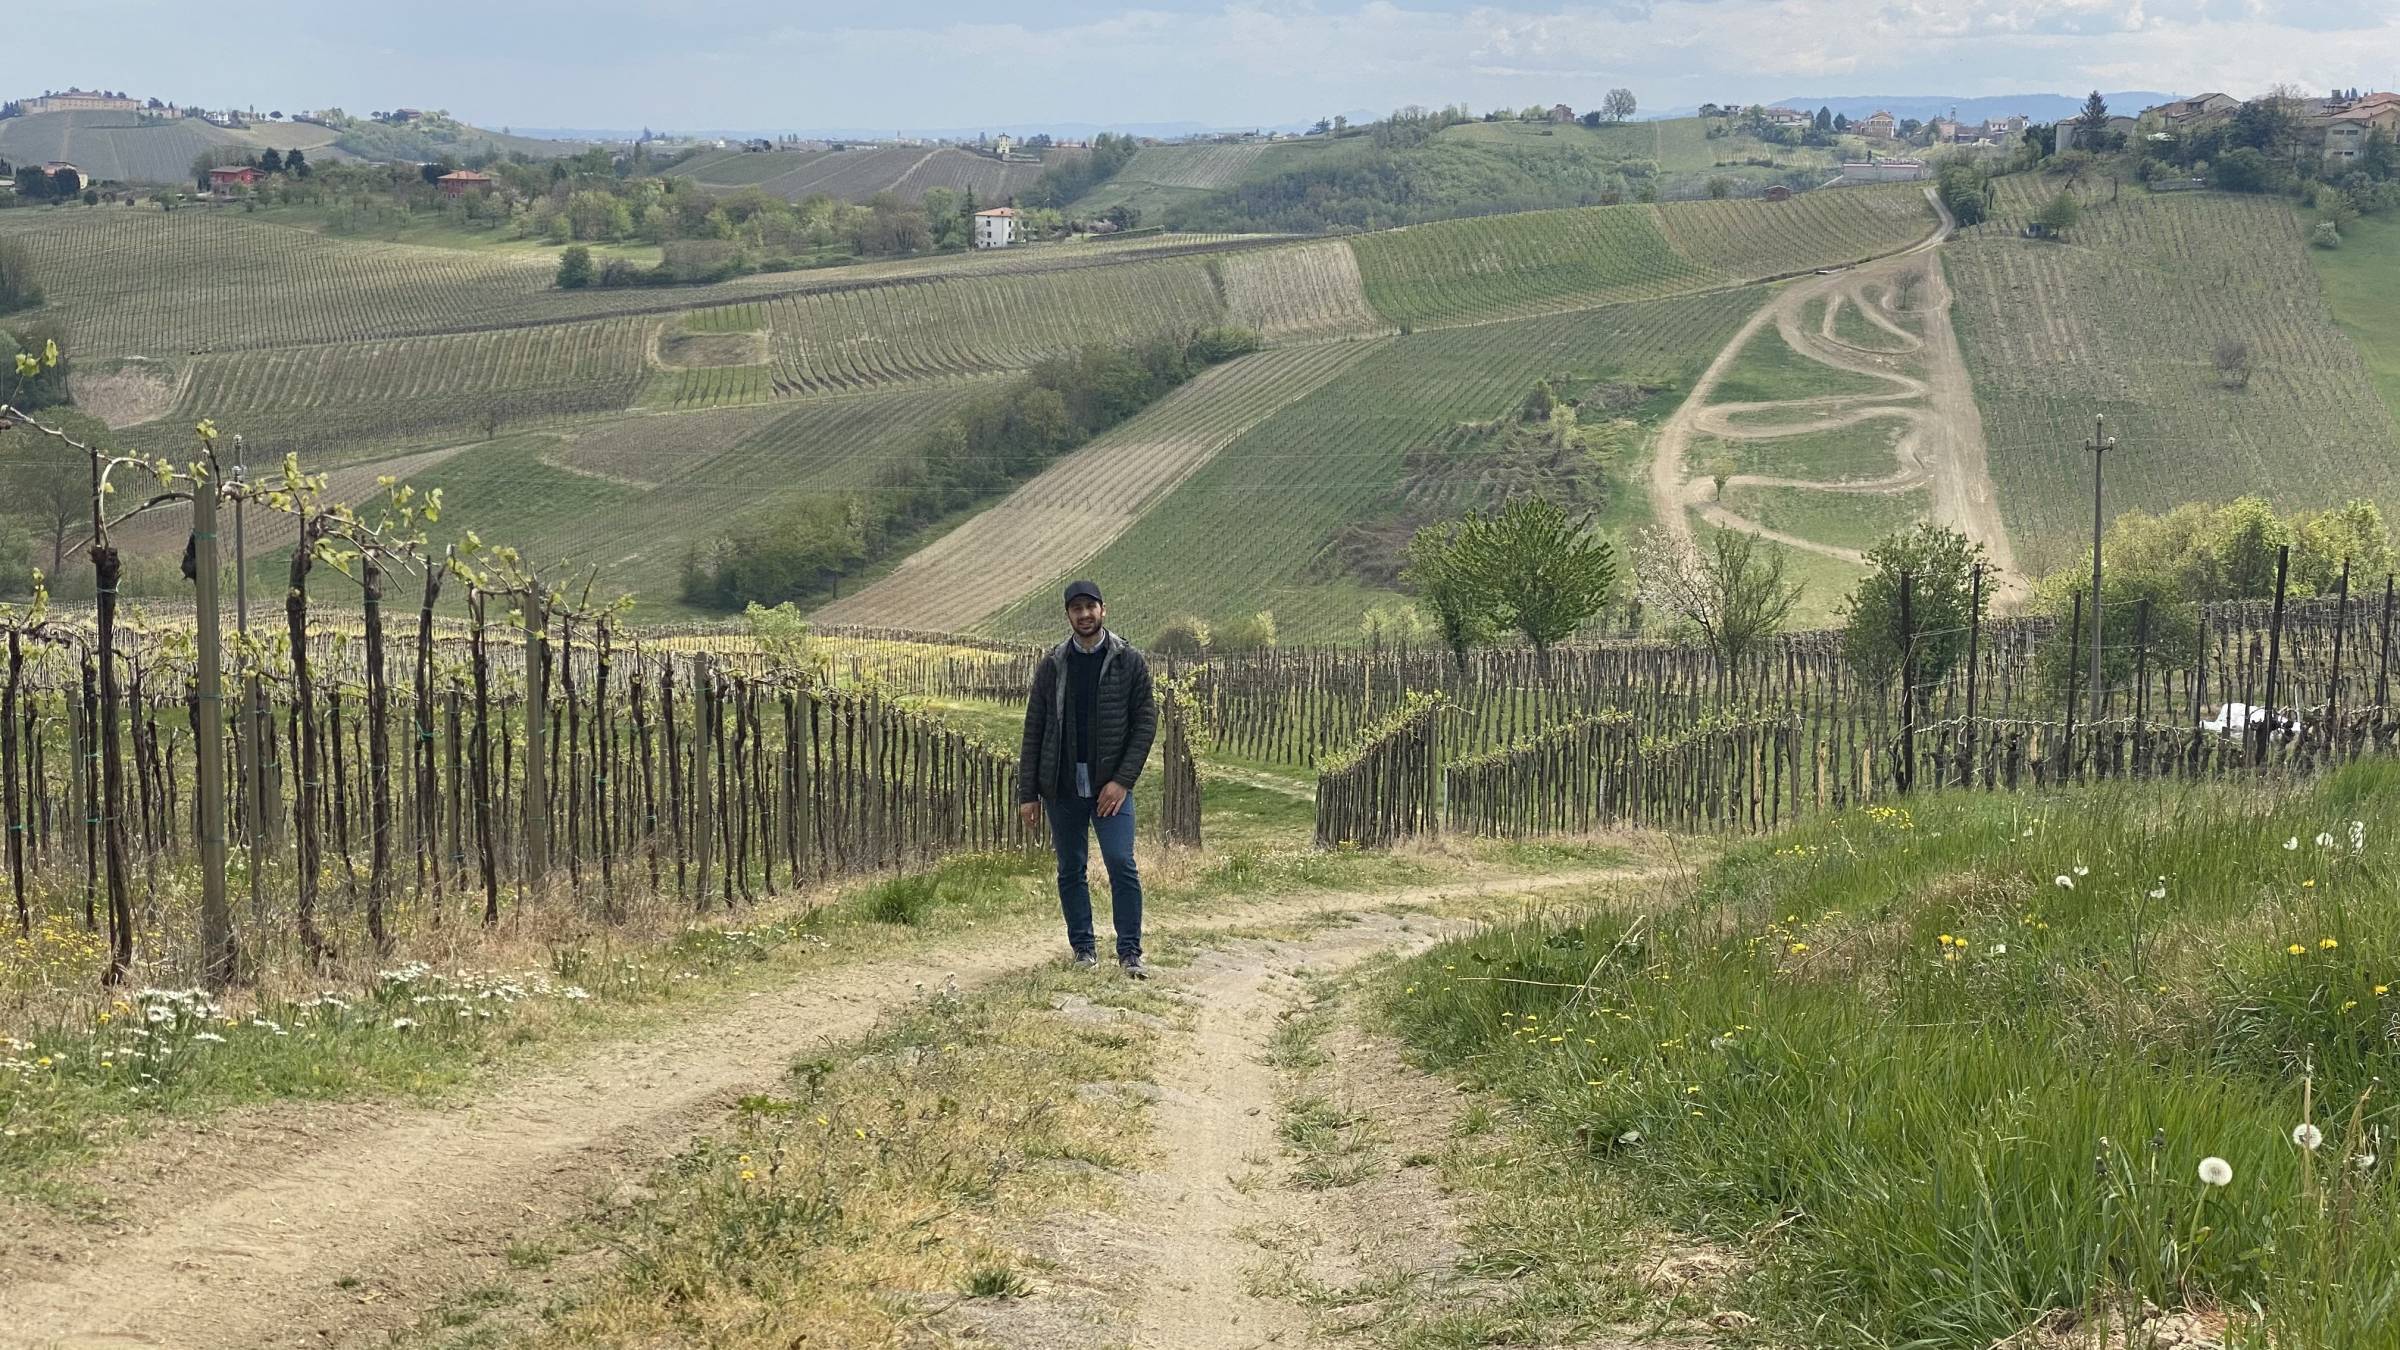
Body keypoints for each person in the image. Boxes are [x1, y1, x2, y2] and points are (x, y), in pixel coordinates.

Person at [1017, 580, 1157, 977]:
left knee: (1120, 861)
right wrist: (1028, 792)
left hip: (1109, 786)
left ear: (1103, 610)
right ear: (1068, 615)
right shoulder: (1053, 664)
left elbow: (1145, 724)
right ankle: (1083, 949)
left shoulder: (1128, 660)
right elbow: (1034, 728)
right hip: (1061, 786)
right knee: (1070, 868)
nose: (1084, 614)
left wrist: (1122, 780)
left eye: (1090, 606)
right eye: (1076, 608)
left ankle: (1130, 952)